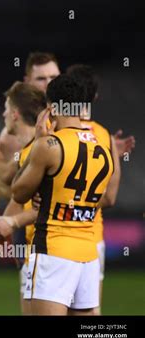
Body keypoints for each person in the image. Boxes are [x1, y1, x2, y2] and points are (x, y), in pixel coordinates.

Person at [12, 74, 114, 315]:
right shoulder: (103, 149)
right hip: (88, 256)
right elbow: (107, 199)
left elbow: (18, 192)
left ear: (51, 107)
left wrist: (37, 140)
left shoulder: (49, 146)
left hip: (53, 251)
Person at [66, 64, 135, 314]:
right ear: (94, 97)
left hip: (51, 238)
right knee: (89, 314)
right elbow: (110, 198)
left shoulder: (52, 130)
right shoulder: (103, 135)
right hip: (90, 237)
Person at [0, 81, 46, 315]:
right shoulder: (28, 151)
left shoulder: (39, 152)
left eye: (7, 108)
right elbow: (11, 188)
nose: (4, 113)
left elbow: (46, 207)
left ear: (15, 114)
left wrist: (10, 222)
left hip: (44, 255)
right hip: (35, 254)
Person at [0, 52, 60, 198]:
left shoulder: (73, 119)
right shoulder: (11, 134)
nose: (49, 83)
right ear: (28, 81)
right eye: (41, 78)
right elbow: (6, 185)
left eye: (54, 78)